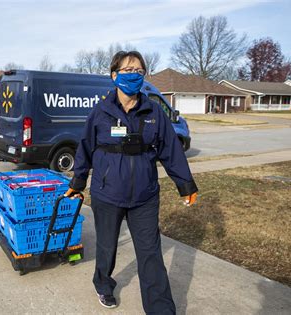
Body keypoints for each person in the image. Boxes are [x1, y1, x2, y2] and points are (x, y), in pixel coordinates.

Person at [65, 51, 198, 314]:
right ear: (114, 76)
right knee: (107, 246)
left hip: (144, 197)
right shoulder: (100, 112)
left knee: (150, 254)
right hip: (107, 194)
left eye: (138, 71)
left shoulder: (154, 112)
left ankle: (160, 309)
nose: (133, 75)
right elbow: (86, 148)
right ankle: (103, 283)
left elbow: (171, 149)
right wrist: (78, 181)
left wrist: (186, 184)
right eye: (127, 70)